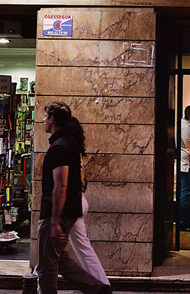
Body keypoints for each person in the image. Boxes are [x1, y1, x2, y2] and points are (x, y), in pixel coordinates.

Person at [35, 101, 109, 294]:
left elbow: (61, 185)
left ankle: (97, 288)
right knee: (58, 259)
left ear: (52, 119)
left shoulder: (59, 147)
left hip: (56, 214)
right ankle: (97, 288)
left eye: (45, 117)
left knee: (46, 267)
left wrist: (54, 221)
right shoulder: (70, 144)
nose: (43, 121)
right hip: (67, 211)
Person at [67, 116, 110, 286]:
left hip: (73, 203)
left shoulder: (67, 149)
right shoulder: (76, 150)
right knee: (83, 249)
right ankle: (100, 285)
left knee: (53, 251)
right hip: (80, 200)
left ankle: (101, 285)